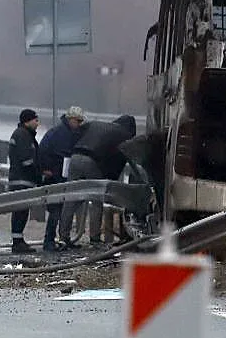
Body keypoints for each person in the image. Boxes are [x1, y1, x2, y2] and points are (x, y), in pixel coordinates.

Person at [60, 115, 137, 245]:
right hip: (92, 161)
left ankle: (63, 237)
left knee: (70, 199)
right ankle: (94, 238)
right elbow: (119, 161)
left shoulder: (96, 124)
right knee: (96, 200)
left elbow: (77, 132)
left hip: (75, 157)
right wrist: (110, 181)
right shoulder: (125, 135)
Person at [38, 106, 86, 252]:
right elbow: (61, 154)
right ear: (70, 119)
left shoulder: (65, 132)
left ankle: (59, 239)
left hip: (58, 175)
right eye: (77, 121)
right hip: (55, 176)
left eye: (80, 121)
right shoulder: (61, 133)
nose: (78, 124)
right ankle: (49, 241)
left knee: (60, 209)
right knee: (56, 210)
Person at [8, 108, 43, 254]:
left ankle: (18, 240)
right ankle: (17, 242)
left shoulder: (23, 134)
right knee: (20, 211)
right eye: (35, 120)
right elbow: (27, 161)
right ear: (27, 121)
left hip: (20, 179)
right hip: (22, 180)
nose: (37, 123)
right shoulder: (23, 135)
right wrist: (38, 175)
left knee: (21, 211)